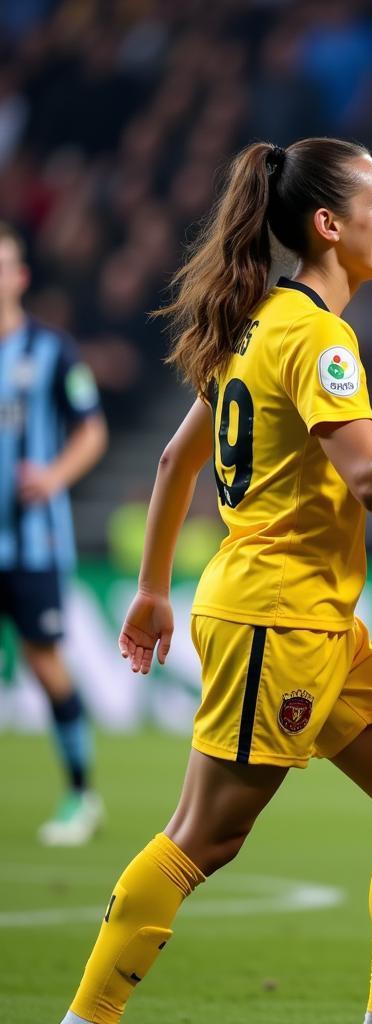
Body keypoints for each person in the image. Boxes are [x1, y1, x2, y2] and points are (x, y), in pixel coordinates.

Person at [60, 137, 372, 1024]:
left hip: (319, 623)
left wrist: (152, 589)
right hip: (277, 616)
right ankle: (87, 1017)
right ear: (330, 225)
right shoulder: (321, 341)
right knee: (204, 837)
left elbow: (176, 462)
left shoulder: (263, 322)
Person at [0, 221, 108, 846]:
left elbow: (91, 430)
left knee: (44, 662)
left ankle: (80, 794)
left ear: (20, 277)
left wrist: (51, 476)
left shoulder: (51, 351)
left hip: (32, 544)